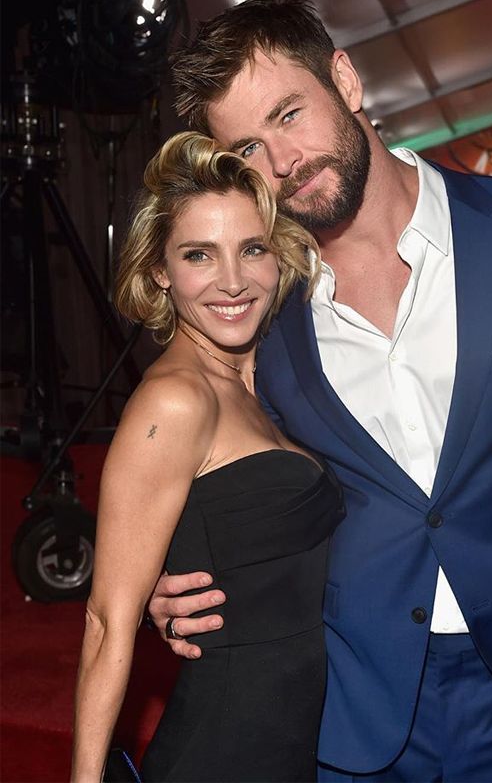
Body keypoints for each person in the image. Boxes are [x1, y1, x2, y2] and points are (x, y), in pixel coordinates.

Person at [149, 0, 492, 782]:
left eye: (289, 114)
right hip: (353, 702)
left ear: (344, 80)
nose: (282, 161)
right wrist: (175, 577)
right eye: (248, 147)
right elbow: (222, 459)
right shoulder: (261, 307)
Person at [71, 131, 344, 783]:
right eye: (199, 254)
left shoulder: (269, 373)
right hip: (225, 748)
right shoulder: (175, 401)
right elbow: (107, 622)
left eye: (252, 248)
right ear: (160, 271)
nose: (232, 281)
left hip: (298, 739)